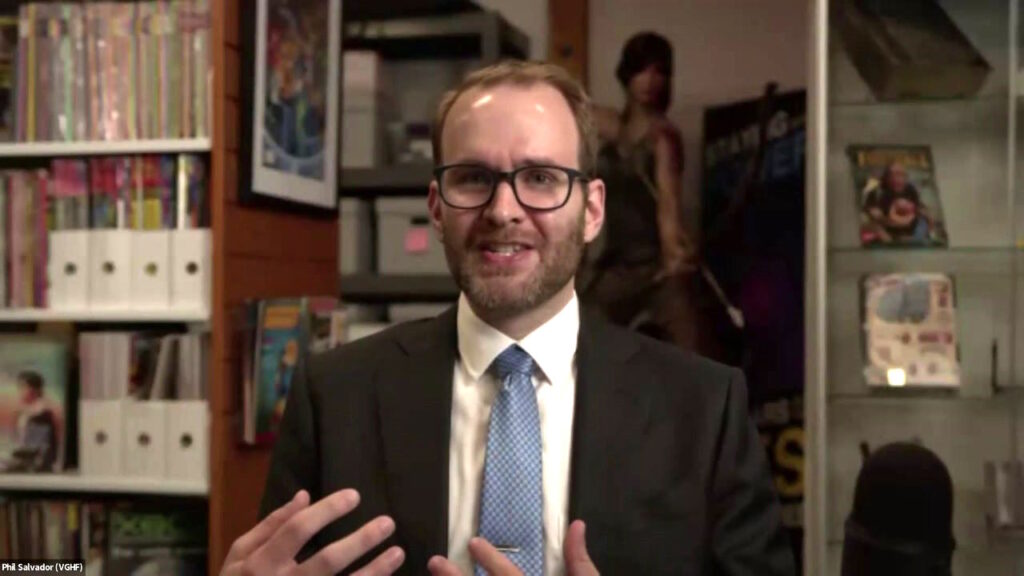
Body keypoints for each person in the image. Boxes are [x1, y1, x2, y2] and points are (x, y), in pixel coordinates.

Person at [221, 61, 793, 576]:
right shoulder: (334, 395)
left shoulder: (703, 407)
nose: (502, 211)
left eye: (540, 178)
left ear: (592, 210)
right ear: (437, 208)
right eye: (473, 178)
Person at [580, 32, 717, 354]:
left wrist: (675, 252)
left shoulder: (664, 139)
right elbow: (563, 107)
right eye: (642, 70)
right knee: (577, 343)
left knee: (691, 353)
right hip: (616, 268)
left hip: (658, 272)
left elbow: (667, 206)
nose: (651, 80)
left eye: (660, 71)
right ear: (628, 74)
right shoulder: (606, 122)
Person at [861, 162, 935, 245]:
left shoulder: (910, 189)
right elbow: (875, 217)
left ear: (906, 177)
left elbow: (919, 208)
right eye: (893, 174)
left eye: (901, 174)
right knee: (874, 228)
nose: (897, 178)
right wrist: (897, 222)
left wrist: (926, 216)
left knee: (925, 221)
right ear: (886, 177)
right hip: (887, 232)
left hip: (911, 233)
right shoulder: (877, 191)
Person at [6, 370, 59, 472]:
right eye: (19, 387)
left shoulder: (42, 413)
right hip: (27, 461)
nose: (19, 391)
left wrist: (14, 459)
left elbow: (35, 448)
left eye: (23, 387)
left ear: (35, 390)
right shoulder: (26, 412)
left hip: (36, 466)